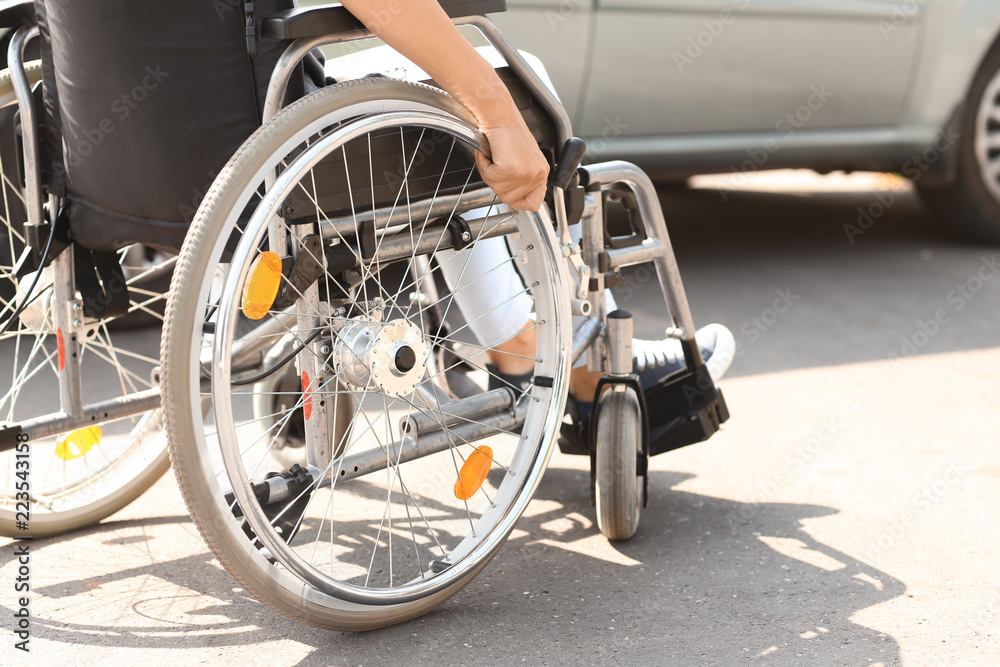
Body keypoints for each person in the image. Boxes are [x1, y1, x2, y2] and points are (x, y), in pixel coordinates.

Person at [340, 0, 735, 418]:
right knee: (518, 78)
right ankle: (552, 350)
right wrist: (497, 111)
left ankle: (524, 342)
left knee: (464, 85)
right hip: (289, 81)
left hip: (271, 92)